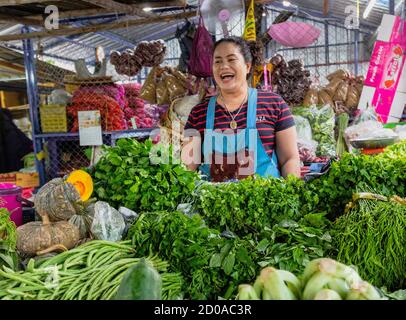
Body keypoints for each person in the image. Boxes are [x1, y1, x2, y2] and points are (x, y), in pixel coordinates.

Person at [181, 36, 300, 182]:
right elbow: (188, 167)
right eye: (217, 61)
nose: (223, 66)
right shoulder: (198, 113)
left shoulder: (274, 104)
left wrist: (291, 190)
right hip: (213, 202)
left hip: (265, 200)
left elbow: (289, 158)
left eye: (231, 60)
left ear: (247, 66)